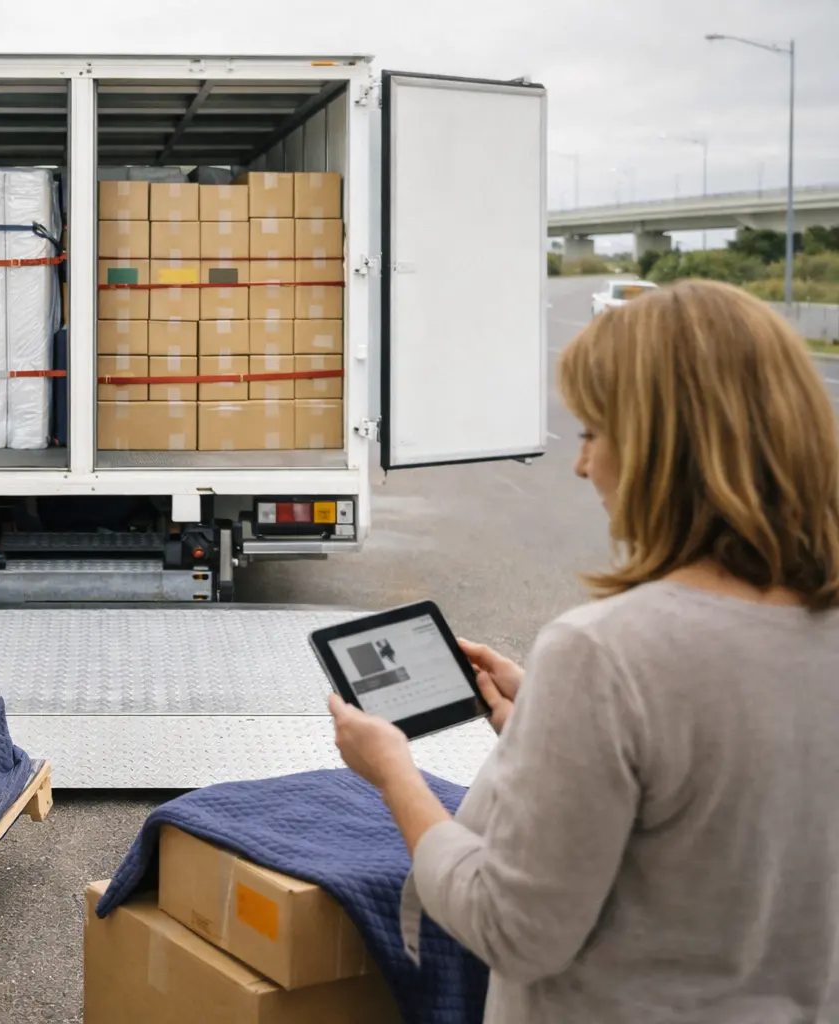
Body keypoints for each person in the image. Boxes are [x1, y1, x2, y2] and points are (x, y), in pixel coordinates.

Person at [330, 279, 839, 1022]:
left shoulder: (604, 654)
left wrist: (391, 773)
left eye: (594, 434)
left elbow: (508, 926)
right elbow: (719, 798)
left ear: (662, 450)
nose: (582, 465)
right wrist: (545, 718)